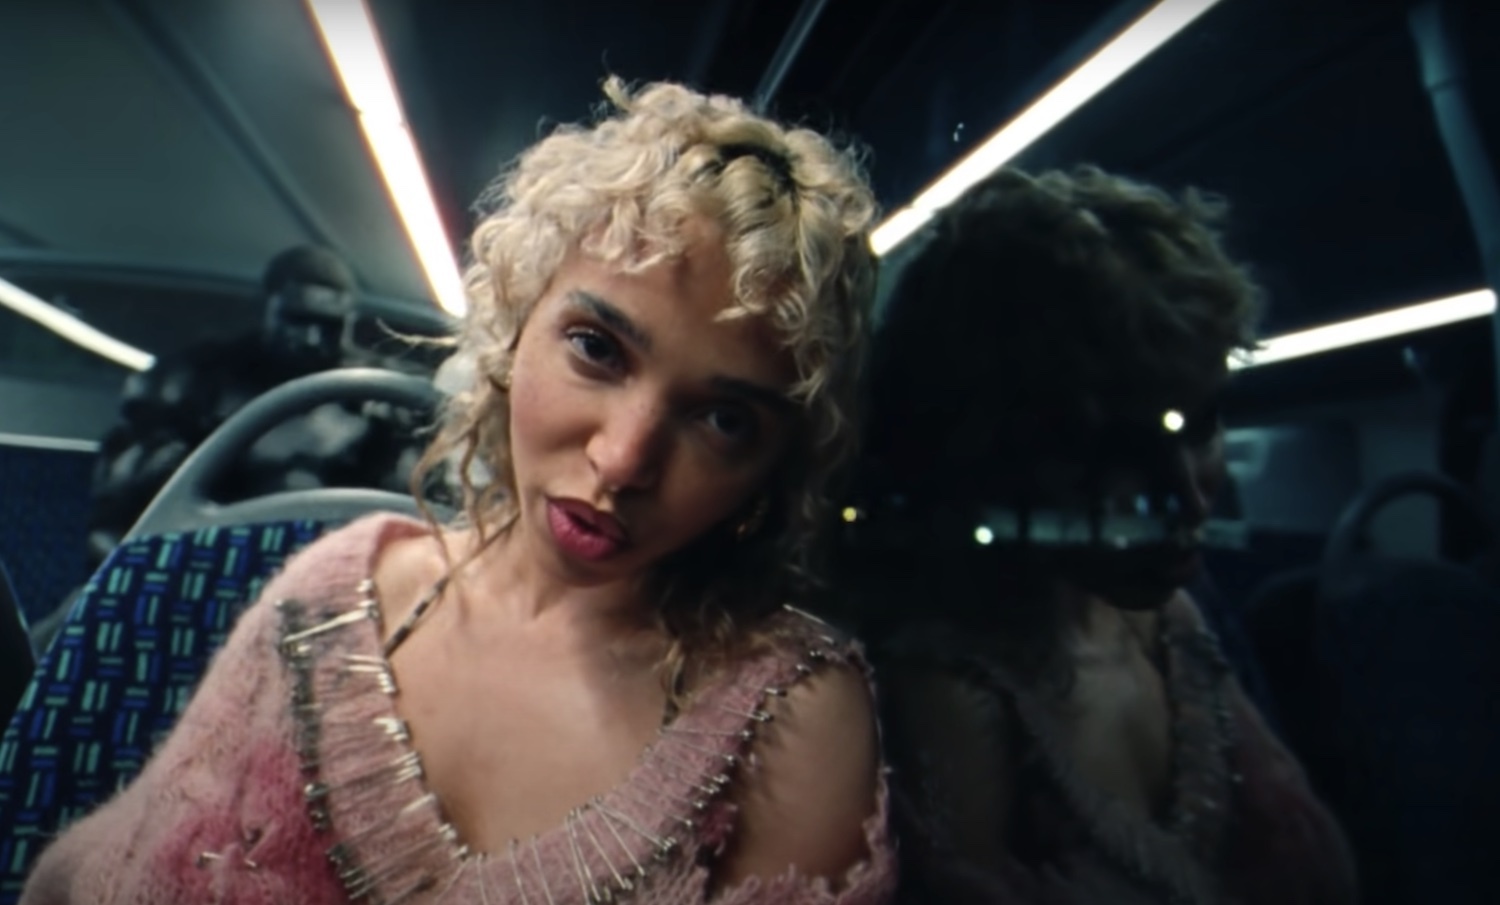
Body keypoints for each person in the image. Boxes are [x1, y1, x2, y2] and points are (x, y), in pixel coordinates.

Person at [21, 79, 895, 904]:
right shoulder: (329, 597)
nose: (623, 460)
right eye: (596, 349)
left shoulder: (789, 727)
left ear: (773, 465)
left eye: (724, 420)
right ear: (514, 329)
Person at [843, 166, 1355, 904]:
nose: (1184, 493)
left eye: (1198, 423)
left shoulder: (1171, 621)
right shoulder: (949, 692)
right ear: (994, 453)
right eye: (1114, 449)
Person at [86, 245, 426, 560]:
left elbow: (423, 508)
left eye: (328, 326)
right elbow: (120, 513)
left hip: (347, 564)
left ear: (349, 321)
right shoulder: (195, 380)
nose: (311, 339)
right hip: (208, 559)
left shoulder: (387, 392)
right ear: (268, 309)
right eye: (297, 321)